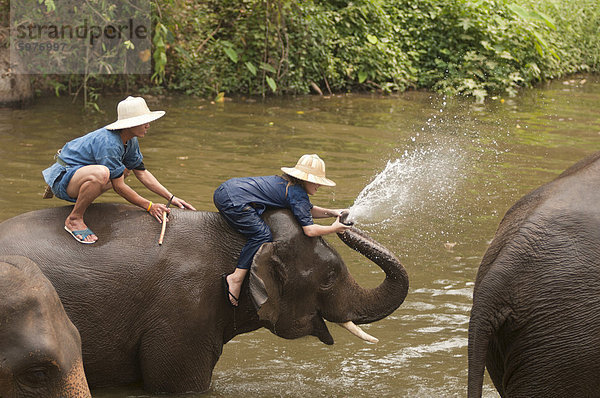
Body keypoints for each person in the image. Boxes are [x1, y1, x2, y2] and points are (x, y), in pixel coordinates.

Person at [42, 96, 196, 244]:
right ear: (130, 124)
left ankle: (86, 196)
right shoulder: (110, 143)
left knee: (123, 171)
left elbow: (141, 172)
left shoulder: (130, 140)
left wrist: (171, 197)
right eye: (144, 122)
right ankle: (74, 219)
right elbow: (119, 187)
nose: (148, 125)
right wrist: (149, 206)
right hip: (65, 178)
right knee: (103, 174)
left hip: (80, 174)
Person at [214, 154, 350, 307]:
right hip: (234, 202)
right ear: (304, 180)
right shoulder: (297, 193)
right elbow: (310, 230)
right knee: (262, 235)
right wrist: (333, 228)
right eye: (315, 182)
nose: (318, 186)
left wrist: (332, 212)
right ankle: (236, 278)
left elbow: (306, 209)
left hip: (225, 190)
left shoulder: (287, 184)